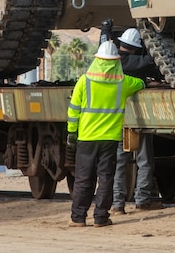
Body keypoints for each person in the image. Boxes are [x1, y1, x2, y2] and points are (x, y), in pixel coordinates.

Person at [67, 39, 144, 227]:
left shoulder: (84, 81)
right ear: (116, 61)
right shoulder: (124, 83)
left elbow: (73, 110)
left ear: (97, 59)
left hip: (86, 138)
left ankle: (78, 218)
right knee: (106, 179)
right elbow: (141, 83)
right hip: (110, 139)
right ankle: (101, 218)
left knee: (83, 179)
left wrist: (71, 133)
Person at [112, 26, 164, 214]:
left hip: (118, 121)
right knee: (145, 160)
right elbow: (147, 61)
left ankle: (117, 204)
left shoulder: (112, 63)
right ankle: (142, 200)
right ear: (135, 47)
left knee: (120, 164)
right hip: (137, 120)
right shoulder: (131, 62)